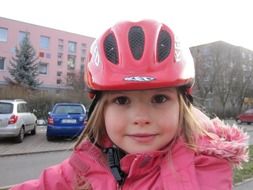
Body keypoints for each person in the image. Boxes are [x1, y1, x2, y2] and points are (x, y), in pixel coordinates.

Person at [11, 19, 248, 190]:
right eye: (122, 100)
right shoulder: (85, 166)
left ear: (183, 106)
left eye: (159, 98)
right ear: (101, 110)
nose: (141, 117)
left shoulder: (204, 169)